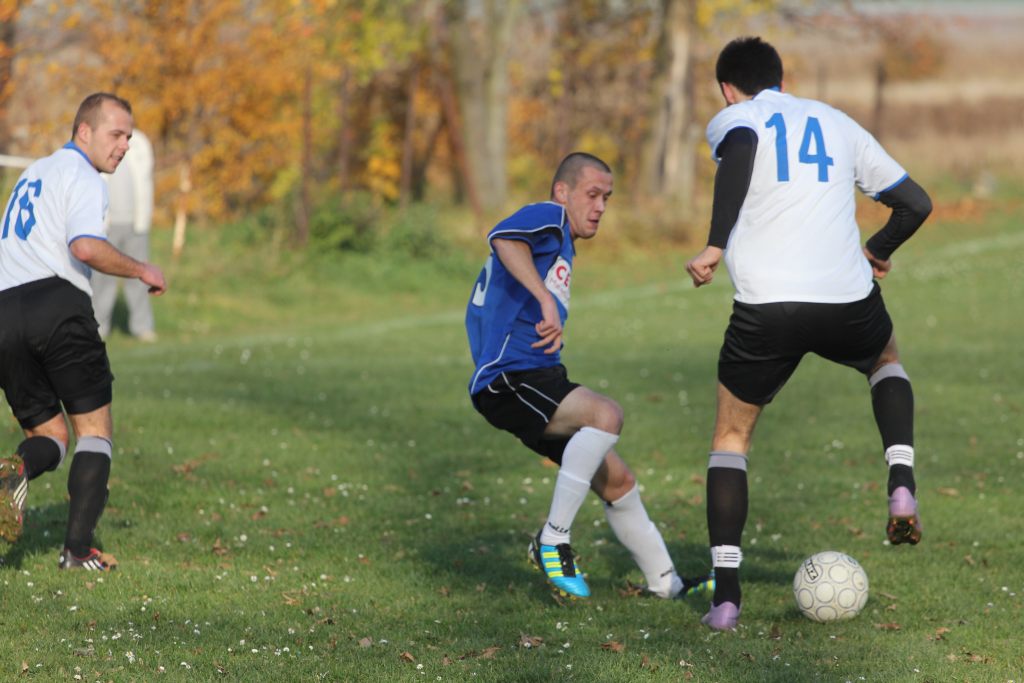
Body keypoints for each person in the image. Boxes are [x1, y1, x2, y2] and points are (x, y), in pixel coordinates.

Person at [684, 37, 932, 630]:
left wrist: (716, 245)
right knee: (885, 361)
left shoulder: (736, 118)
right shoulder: (835, 121)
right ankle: (901, 481)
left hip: (767, 306)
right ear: (782, 79)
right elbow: (915, 203)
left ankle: (725, 598)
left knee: (731, 436)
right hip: (845, 297)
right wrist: (877, 250)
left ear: (727, 87)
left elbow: (741, 151)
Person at [466, 152, 712, 600]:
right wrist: (542, 298)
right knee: (605, 415)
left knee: (617, 480)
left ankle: (668, 585)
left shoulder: (561, 241)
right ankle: (553, 539)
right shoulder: (551, 216)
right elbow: (502, 237)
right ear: (563, 191)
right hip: (509, 378)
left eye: (607, 198)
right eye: (592, 194)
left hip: (537, 377)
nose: (600, 206)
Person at [0, 92, 167, 571]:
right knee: (94, 431)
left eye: (130, 137)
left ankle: (14, 474)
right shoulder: (83, 175)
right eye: (116, 134)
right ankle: (78, 551)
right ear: (85, 131)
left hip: (4, 313)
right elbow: (86, 247)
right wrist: (141, 269)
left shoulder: (33, 174)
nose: (124, 146)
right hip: (57, 305)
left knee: (50, 435)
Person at [92, 128, 157, 342]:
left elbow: (146, 179)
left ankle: (142, 327)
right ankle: (99, 327)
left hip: (135, 223)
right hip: (107, 225)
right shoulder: (101, 141)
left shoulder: (140, 143)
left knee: (140, 277)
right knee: (102, 279)